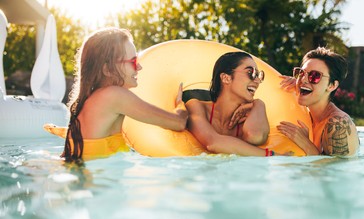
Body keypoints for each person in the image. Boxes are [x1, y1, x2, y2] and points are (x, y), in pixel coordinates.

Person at [63, 27, 188, 162]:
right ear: (108, 69)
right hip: (97, 179)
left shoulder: (92, 99)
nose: (139, 67)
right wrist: (181, 104)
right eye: (133, 62)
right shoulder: (114, 95)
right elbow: (179, 123)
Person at [185, 51, 274, 156]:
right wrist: (272, 155)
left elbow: (255, 136)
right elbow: (213, 143)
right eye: (251, 73)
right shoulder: (196, 106)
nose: (258, 81)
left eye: (259, 75)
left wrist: (259, 104)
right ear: (226, 78)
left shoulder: (248, 121)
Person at [277, 47, 359, 156]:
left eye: (314, 76)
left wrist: (306, 143)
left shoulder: (337, 123)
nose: (303, 80)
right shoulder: (307, 116)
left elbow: (337, 171)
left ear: (332, 85)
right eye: (301, 73)